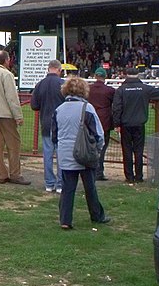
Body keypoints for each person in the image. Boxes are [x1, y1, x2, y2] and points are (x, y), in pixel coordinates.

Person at [52, 76, 111, 230]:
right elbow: (99, 134)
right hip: (85, 153)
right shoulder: (88, 108)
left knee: (67, 189)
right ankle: (97, 215)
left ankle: (65, 220)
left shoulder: (59, 110)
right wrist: (97, 150)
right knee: (90, 187)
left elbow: (54, 135)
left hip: (65, 154)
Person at [0, 50, 30, 185]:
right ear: (6, 60)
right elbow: (12, 98)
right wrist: (18, 116)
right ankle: (15, 174)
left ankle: (2, 174)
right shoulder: (7, 75)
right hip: (6, 115)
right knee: (14, 145)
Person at [112, 67, 159, 183]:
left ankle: (129, 177)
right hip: (139, 123)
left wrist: (116, 124)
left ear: (126, 75)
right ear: (138, 75)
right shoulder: (144, 89)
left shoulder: (121, 90)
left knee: (127, 151)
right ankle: (139, 176)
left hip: (125, 124)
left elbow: (116, 108)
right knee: (139, 150)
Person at [30, 59, 65, 193]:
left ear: (48, 69)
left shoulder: (40, 85)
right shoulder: (63, 84)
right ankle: (61, 183)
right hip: (60, 124)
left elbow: (34, 105)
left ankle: (49, 183)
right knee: (61, 155)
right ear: (59, 70)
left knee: (48, 154)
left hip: (45, 122)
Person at [88, 67, 115, 181]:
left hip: (89, 121)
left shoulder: (89, 89)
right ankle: (99, 171)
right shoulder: (110, 90)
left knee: (89, 146)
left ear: (95, 76)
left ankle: (89, 170)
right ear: (105, 77)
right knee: (102, 147)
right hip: (104, 121)